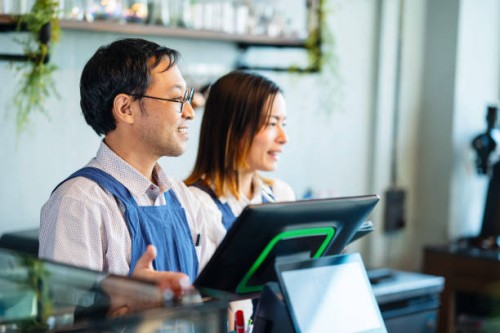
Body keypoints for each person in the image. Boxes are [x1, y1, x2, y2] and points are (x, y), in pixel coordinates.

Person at [39, 38, 225, 298]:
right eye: (176, 98)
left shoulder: (184, 198)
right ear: (126, 108)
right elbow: (63, 318)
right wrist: (126, 304)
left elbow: (207, 297)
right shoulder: (78, 204)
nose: (190, 113)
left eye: (188, 97)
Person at [184, 70, 295, 321]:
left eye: (283, 124)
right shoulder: (194, 204)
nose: (283, 138)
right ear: (233, 128)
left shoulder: (280, 194)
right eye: (271, 123)